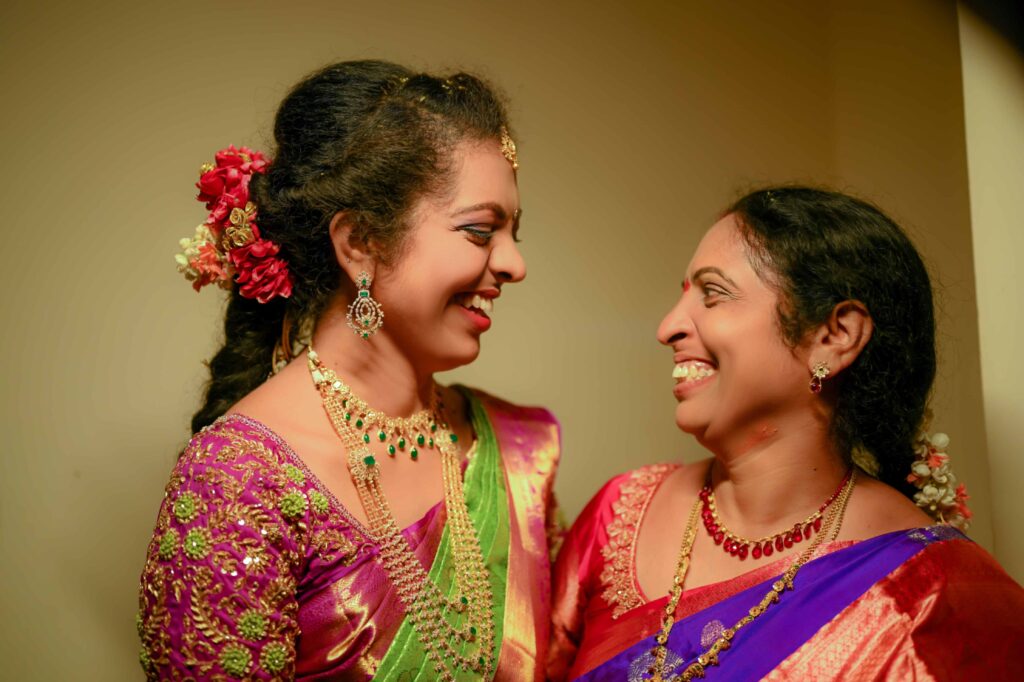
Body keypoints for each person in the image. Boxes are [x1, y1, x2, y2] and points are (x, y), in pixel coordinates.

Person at [137, 60, 560, 681]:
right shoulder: (238, 483)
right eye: (480, 231)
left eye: (514, 233)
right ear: (360, 242)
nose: (515, 264)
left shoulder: (516, 449)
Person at [547, 187, 1024, 681]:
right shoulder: (619, 514)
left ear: (835, 336)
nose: (668, 326)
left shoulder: (931, 590)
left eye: (713, 294)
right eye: (682, 293)